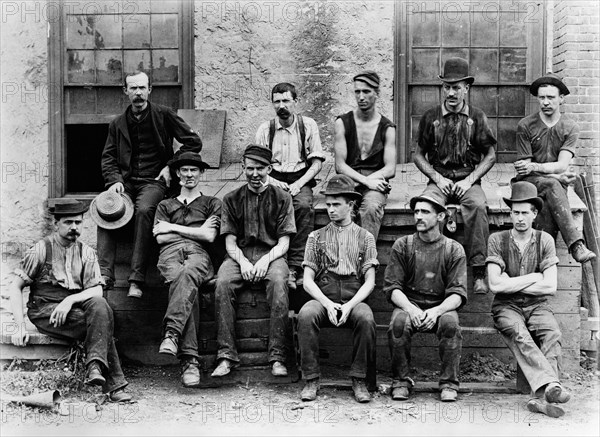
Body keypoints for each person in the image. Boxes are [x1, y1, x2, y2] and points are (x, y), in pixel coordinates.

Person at [8, 200, 132, 402]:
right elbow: (15, 287)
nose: (74, 227)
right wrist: (19, 326)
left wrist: (70, 300)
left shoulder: (87, 253)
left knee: (101, 306)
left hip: (75, 308)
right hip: (46, 311)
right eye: (68, 222)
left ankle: (95, 366)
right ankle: (112, 383)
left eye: (78, 222)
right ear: (56, 224)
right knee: (103, 321)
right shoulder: (40, 250)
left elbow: (97, 290)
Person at [98, 71, 203, 299]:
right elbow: (108, 157)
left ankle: (136, 279)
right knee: (104, 208)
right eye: (133, 88)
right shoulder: (117, 123)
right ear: (125, 91)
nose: (138, 93)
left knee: (145, 210)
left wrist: (170, 165)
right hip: (126, 183)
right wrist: (114, 181)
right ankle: (105, 274)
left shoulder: (163, 115)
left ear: (150, 89)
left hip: (154, 181)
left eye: (142, 88)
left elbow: (194, 142)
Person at [486, 181, 571, 418]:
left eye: (525, 213)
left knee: (552, 332)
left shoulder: (545, 240)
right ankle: (552, 386)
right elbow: (495, 285)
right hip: (506, 307)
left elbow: (550, 285)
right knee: (519, 333)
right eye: (516, 212)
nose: (520, 218)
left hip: (537, 305)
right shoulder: (497, 240)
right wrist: (534, 277)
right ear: (510, 213)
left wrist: (510, 283)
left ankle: (542, 396)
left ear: (535, 214)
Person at [413, 57, 497, 294]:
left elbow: (490, 155)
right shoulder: (431, 117)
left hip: (468, 179)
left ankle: (479, 271)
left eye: (456, 87)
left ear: (466, 88)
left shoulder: (477, 117)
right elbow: (418, 156)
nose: (451, 92)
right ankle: (430, 270)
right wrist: (437, 178)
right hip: (439, 179)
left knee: (478, 207)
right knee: (425, 207)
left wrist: (469, 180)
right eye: (447, 87)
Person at [212, 145, 296, 378]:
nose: (255, 174)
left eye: (260, 168)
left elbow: (284, 243)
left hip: (273, 253)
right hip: (239, 253)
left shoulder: (282, 198)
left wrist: (265, 261)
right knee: (222, 283)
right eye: (250, 168)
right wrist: (244, 263)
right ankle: (226, 356)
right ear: (243, 168)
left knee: (280, 282)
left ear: (269, 168)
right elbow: (230, 243)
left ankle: (277, 357)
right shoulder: (231, 198)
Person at [297, 175, 378, 404]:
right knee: (306, 314)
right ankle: (311, 379)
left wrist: (350, 305)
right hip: (325, 292)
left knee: (366, 318)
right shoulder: (316, 237)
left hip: (354, 294)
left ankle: (359, 378)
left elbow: (370, 281)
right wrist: (327, 303)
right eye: (328, 204)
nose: (330, 210)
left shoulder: (366, 237)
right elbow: (307, 280)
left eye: (336, 204)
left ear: (350, 205)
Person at [384, 191, 467, 402]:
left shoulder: (453, 249)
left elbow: (457, 294)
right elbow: (393, 288)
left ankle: (449, 384)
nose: (418, 216)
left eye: (425, 212)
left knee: (450, 325)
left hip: (441, 306)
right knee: (398, 324)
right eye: (416, 211)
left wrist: (436, 311)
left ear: (440, 216)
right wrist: (411, 309)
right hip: (409, 303)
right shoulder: (403, 245)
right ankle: (401, 381)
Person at [153, 152, 222, 388]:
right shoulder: (165, 204)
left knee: (187, 274)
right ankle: (190, 361)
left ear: (201, 173)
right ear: (177, 174)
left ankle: (173, 337)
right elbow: (160, 239)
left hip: (198, 254)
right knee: (185, 280)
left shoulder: (212, 203)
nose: (189, 174)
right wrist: (196, 230)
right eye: (184, 170)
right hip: (170, 254)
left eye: (194, 170)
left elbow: (209, 235)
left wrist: (171, 227)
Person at [514, 72, 595, 263]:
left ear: (561, 98)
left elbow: (562, 165)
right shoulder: (525, 125)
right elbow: (526, 170)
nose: (545, 102)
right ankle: (576, 244)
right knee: (551, 185)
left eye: (550, 97)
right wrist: (556, 175)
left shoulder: (570, 127)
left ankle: (541, 263)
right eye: (541, 98)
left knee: (547, 210)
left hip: (555, 190)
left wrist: (539, 167)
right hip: (528, 185)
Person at [255, 83, 325, 291]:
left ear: (296, 102)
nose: (281, 106)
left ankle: (296, 266)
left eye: (286, 100)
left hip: (300, 177)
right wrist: (274, 182)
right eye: (277, 101)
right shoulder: (265, 129)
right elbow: (259, 165)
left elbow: (317, 163)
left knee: (303, 206)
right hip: (273, 176)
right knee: (269, 208)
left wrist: (299, 184)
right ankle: (274, 260)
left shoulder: (308, 125)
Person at [333, 70, 396, 242]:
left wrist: (370, 181)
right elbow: (340, 165)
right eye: (357, 91)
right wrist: (365, 181)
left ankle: (365, 260)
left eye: (366, 91)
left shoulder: (387, 127)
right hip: (348, 179)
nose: (361, 97)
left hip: (375, 180)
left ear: (377, 93)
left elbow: (390, 168)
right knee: (341, 208)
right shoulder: (342, 123)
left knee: (371, 208)